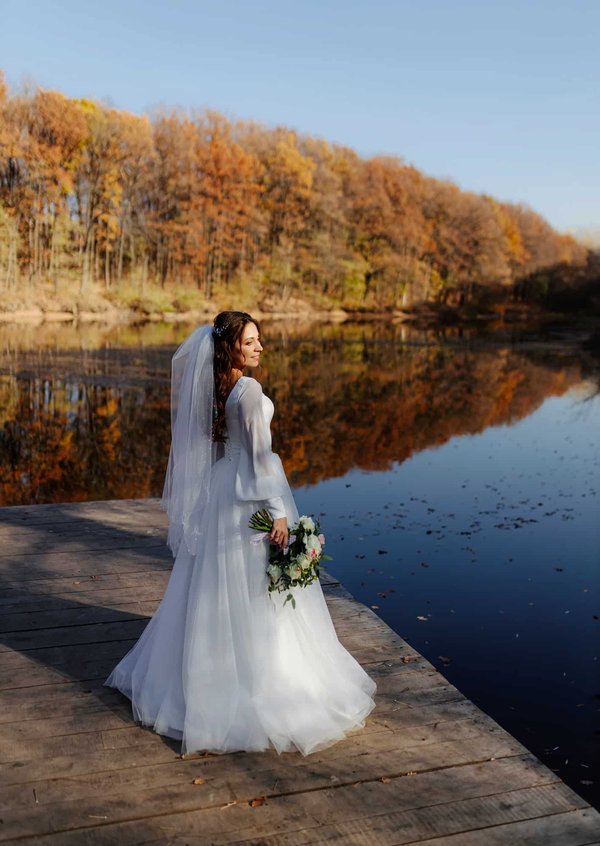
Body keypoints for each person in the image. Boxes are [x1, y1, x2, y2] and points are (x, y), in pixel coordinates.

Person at [104, 311, 376, 756]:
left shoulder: (220, 389)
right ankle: (257, 677)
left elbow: (229, 451)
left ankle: (205, 665)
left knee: (216, 580)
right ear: (230, 347)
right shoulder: (249, 391)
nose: (260, 348)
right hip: (249, 496)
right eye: (251, 341)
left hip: (221, 491)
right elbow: (259, 457)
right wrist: (278, 514)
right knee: (256, 584)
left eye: (259, 339)